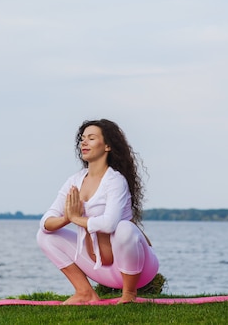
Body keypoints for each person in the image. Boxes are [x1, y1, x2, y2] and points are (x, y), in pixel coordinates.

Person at [36, 119, 159, 304]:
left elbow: (109, 224)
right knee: (44, 236)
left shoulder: (115, 181)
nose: (84, 142)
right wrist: (66, 219)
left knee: (124, 228)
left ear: (108, 145)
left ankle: (129, 294)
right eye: (82, 138)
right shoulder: (74, 181)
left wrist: (76, 218)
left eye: (91, 138)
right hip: (101, 268)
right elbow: (46, 222)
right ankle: (84, 292)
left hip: (139, 269)